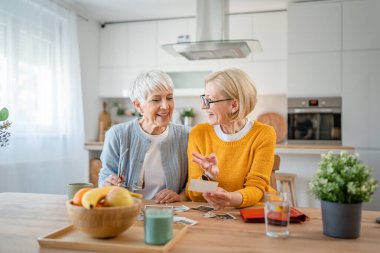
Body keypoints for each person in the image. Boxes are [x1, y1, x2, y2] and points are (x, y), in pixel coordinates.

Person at [186, 68, 276, 210]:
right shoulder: (198, 133)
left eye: (209, 100)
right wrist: (208, 176)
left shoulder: (264, 133)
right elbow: (193, 193)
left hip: (254, 212)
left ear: (234, 105)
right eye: (204, 99)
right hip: (213, 213)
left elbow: (256, 188)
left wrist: (230, 199)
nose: (203, 106)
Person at [98, 70, 189, 203]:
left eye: (169, 98)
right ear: (138, 105)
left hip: (170, 213)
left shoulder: (186, 136)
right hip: (128, 210)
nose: (165, 106)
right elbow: (104, 177)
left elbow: (194, 183)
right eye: (156, 100)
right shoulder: (117, 134)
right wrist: (107, 184)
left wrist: (181, 197)